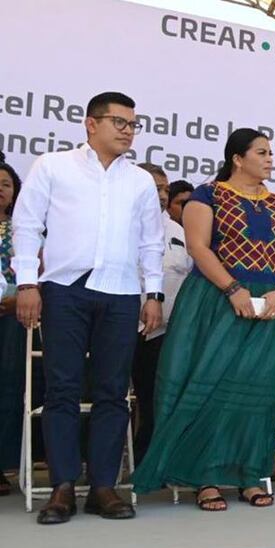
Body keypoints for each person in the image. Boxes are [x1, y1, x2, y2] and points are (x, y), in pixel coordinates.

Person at [13, 91, 164, 524]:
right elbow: (27, 225)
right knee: (61, 389)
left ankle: (103, 486)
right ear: (91, 124)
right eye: (119, 122)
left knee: (114, 392)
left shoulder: (137, 180)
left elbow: (152, 243)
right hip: (63, 288)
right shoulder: (53, 166)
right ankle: (62, 486)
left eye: (133, 124)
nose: (128, 130)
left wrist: (152, 294)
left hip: (120, 294)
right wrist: (27, 281)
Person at [132, 128, 275, 511]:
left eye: (271, 152)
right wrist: (233, 290)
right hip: (216, 299)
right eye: (262, 152)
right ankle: (205, 477)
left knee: (257, 391)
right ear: (237, 158)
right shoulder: (207, 195)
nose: (270, 158)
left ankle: (248, 474)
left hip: (270, 305)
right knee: (210, 386)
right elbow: (197, 248)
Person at [131, 165, 193, 465]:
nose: (161, 195)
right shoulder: (121, 223)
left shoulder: (179, 231)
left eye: (165, 190)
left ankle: (154, 459)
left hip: (168, 331)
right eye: (154, 188)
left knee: (158, 397)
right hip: (125, 327)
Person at [0, 159, 23, 494]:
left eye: (5, 184)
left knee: (8, 387)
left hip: (14, 315)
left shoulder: (25, 229)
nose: (0, 189)